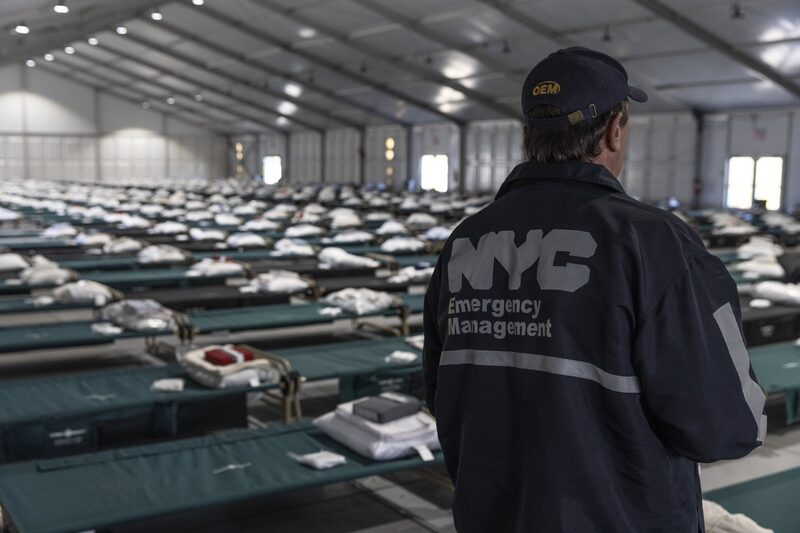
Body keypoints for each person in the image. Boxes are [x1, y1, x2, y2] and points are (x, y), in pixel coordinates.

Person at [422, 47, 765, 532]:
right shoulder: (654, 243)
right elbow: (725, 427)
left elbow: (442, 393)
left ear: (530, 134)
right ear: (613, 130)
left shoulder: (465, 240)